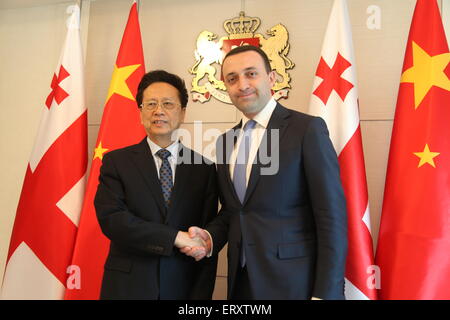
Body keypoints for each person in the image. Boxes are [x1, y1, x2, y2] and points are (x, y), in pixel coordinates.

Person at [182, 45, 348, 300]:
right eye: (232, 78)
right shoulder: (225, 142)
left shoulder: (306, 130)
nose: (242, 84)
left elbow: (331, 218)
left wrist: (327, 294)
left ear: (271, 78)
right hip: (240, 282)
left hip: (295, 284)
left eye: (251, 74)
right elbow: (234, 211)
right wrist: (209, 238)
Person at [94, 70, 218, 300]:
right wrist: (174, 237)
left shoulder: (204, 168)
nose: (158, 111)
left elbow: (206, 235)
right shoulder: (116, 162)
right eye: (150, 103)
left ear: (182, 113)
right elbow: (113, 220)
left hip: (183, 287)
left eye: (168, 104)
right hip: (127, 288)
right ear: (140, 112)